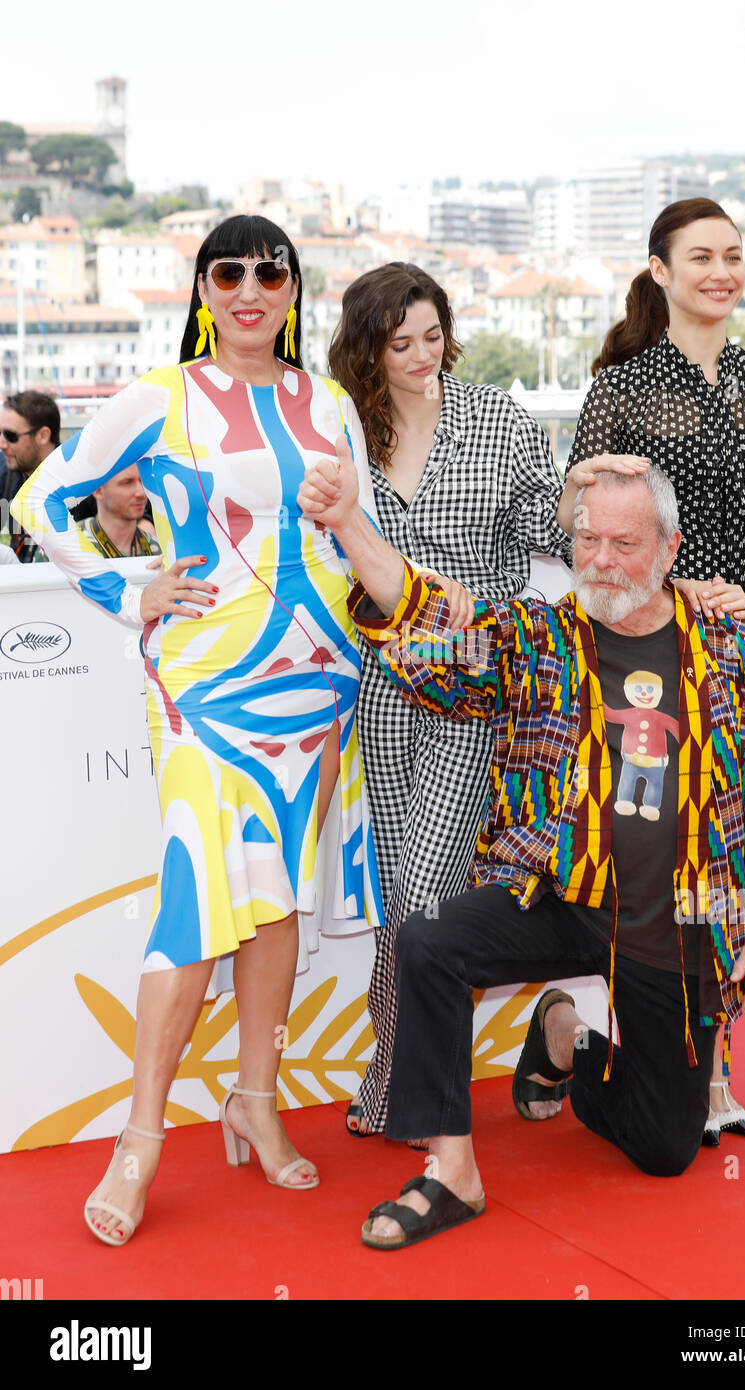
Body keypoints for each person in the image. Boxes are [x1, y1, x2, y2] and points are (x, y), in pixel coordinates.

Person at [296, 452, 745, 1250]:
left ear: (670, 547)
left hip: (680, 918)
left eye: (624, 544)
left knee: (666, 1149)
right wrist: (348, 522)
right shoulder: (541, 636)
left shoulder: (735, 647)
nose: (600, 561)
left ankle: (567, 1040)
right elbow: (431, 616)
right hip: (557, 892)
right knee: (430, 940)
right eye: (587, 540)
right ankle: (451, 1171)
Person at [11, 214, 384, 1246]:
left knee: (274, 906)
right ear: (204, 288)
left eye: (271, 272)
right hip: (206, 687)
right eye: (229, 272)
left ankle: (255, 1098)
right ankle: (139, 1141)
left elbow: (363, 535)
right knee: (194, 909)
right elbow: (43, 501)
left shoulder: (331, 402)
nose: (250, 289)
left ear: (295, 287)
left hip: (320, 681)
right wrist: (127, 591)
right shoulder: (158, 398)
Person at [327, 262, 632, 1137]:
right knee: (399, 895)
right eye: (401, 343)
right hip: (384, 680)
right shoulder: (347, 431)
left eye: (433, 336)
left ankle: (403, 1092)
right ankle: (406, 1072)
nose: (424, 356)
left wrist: (594, 494)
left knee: (428, 894)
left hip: (479, 679)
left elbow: (550, 530)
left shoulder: (498, 419)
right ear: (368, 349)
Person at [565, 197, 745, 1142]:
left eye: (734, 256)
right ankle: (658, 1055)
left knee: (741, 848)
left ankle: (717, 1066)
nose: (723, 271)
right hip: (647, 654)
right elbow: (589, 524)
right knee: (666, 845)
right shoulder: (624, 386)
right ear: (660, 271)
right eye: (702, 257)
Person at [0, 390, 60, 561]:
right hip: (13, 581)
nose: (2, 444)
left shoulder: (78, 478)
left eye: (11, 436)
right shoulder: (6, 469)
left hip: (59, 582)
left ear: (43, 435)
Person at [78, 464, 161, 557]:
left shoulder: (159, 552)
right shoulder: (70, 544)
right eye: (127, 483)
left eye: (143, 481)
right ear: (98, 490)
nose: (141, 493)